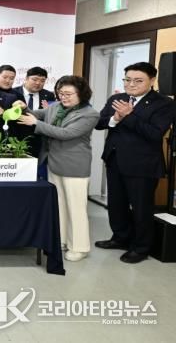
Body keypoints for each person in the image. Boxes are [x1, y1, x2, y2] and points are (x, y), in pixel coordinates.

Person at [94, 62, 176, 264]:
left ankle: (141, 247)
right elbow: (99, 123)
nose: (131, 84)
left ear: (152, 80)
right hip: (115, 159)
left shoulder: (164, 103)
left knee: (141, 208)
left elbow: (154, 134)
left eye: (138, 81)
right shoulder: (117, 98)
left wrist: (128, 115)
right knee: (117, 204)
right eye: (127, 80)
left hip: (143, 165)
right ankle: (120, 238)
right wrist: (115, 118)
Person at [17, 75, 100, 262]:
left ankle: (79, 247)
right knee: (59, 205)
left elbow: (66, 133)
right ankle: (61, 240)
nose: (64, 97)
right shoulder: (56, 107)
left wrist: (36, 124)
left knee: (76, 208)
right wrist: (24, 108)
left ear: (81, 94)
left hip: (74, 165)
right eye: (61, 93)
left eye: (68, 94)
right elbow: (37, 114)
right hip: (53, 162)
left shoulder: (90, 114)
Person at [13, 67, 57, 159]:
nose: (38, 83)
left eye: (42, 81)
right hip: (16, 138)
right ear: (26, 78)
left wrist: (48, 111)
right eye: (35, 79)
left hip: (39, 139)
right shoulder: (13, 93)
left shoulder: (49, 95)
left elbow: (51, 118)